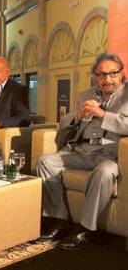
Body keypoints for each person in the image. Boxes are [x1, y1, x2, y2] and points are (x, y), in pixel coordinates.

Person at [37, 52, 127, 250]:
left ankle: (84, 228)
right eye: (102, 75)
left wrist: (104, 115)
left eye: (112, 74)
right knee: (46, 161)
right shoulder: (86, 95)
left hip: (109, 154)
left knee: (104, 173)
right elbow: (63, 123)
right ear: (95, 76)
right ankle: (59, 219)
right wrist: (78, 115)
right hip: (81, 150)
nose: (107, 79)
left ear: (121, 74)